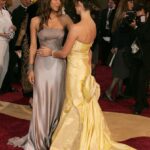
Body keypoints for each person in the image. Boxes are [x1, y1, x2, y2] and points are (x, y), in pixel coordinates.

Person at [38, 0, 135, 149]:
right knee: (85, 103)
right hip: (84, 69)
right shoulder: (93, 26)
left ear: (81, 5)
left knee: (73, 104)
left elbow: (63, 53)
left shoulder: (76, 28)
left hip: (75, 71)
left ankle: (72, 142)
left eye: (76, 5)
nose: (75, 8)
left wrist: (49, 52)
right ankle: (84, 137)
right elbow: (89, 51)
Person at [8, 0, 73, 149]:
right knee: (41, 102)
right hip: (41, 66)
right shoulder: (35, 20)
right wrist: (30, 68)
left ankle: (54, 136)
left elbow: (76, 36)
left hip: (58, 64)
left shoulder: (65, 19)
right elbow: (32, 46)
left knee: (57, 101)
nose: (59, 2)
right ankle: (39, 138)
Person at [105, 0, 135, 101]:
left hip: (122, 47)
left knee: (122, 71)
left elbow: (117, 32)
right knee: (119, 72)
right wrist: (116, 46)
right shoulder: (125, 16)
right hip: (122, 48)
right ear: (126, 4)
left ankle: (119, 92)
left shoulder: (122, 15)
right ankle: (109, 91)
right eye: (130, 2)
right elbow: (118, 33)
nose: (132, 4)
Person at [130, 3, 150, 114]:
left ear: (147, 13)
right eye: (137, 12)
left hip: (146, 57)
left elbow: (146, 37)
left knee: (141, 81)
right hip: (138, 56)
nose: (138, 14)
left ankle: (139, 106)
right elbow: (135, 36)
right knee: (140, 80)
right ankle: (143, 100)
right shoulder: (140, 21)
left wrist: (137, 27)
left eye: (140, 11)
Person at [0, 0, 15, 91]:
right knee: (0, 66)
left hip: (6, 43)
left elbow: (10, 26)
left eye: (4, 0)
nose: (2, 2)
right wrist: (2, 34)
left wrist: (13, 28)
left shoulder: (6, 12)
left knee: (4, 68)